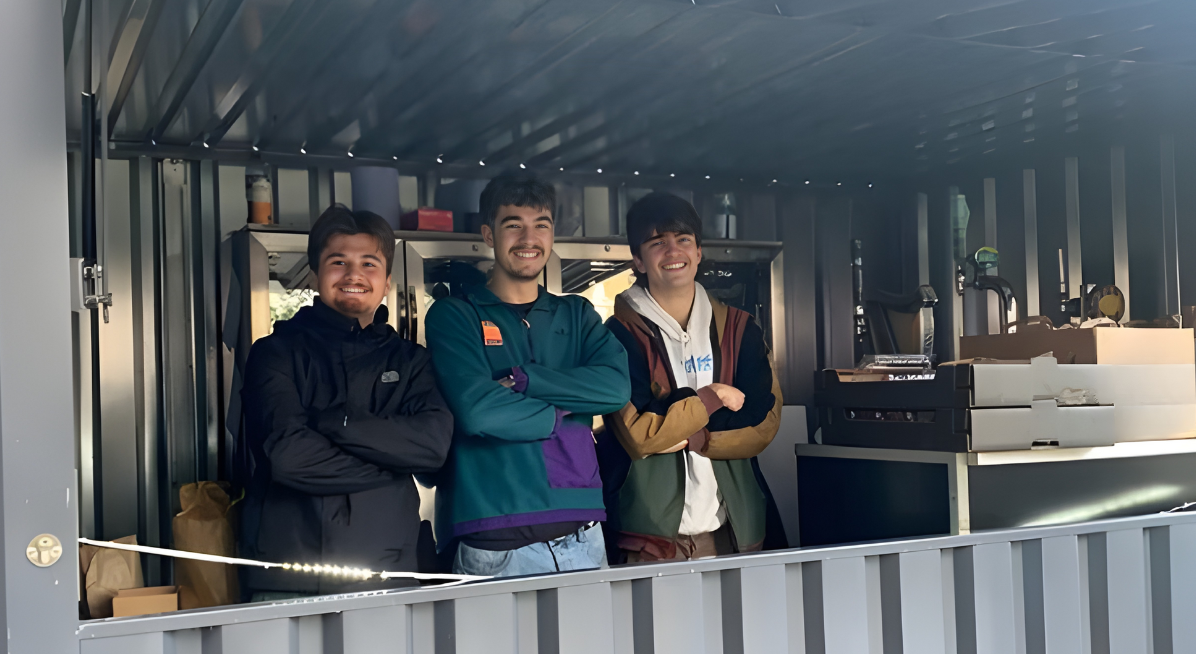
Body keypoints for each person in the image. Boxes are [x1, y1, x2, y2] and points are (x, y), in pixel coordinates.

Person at [239, 206, 453, 600]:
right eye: (338, 262)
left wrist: (333, 425)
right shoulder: (274, 353)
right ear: (315, 274)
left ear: (386, 282)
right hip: (286, 579)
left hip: (390, 575)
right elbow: (289, 458)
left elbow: (433, 448)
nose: (354, 275)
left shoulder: (411, 362)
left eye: (369, 264)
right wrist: (392, 465)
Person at [424, 172, 630, 577]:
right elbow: (478, 412)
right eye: (513, 224)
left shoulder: (577, 313)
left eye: (541, 225)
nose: (528, 238)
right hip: (494, 535)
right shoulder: (454, 315)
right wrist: (564, 411)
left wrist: (525, 381)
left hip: (583, 533)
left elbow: (616, 389)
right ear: (489, 234)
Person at [600, 192, 782, 562]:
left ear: (698, 252)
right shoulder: (616, 336)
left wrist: (682, 431)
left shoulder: (741, 329)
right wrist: (712, 398)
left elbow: (763, 422)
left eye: (683, 239)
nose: (673, 251)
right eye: (657, 242)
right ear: (638, 260)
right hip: (648, 540)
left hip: (734, 531)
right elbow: (639, 435)